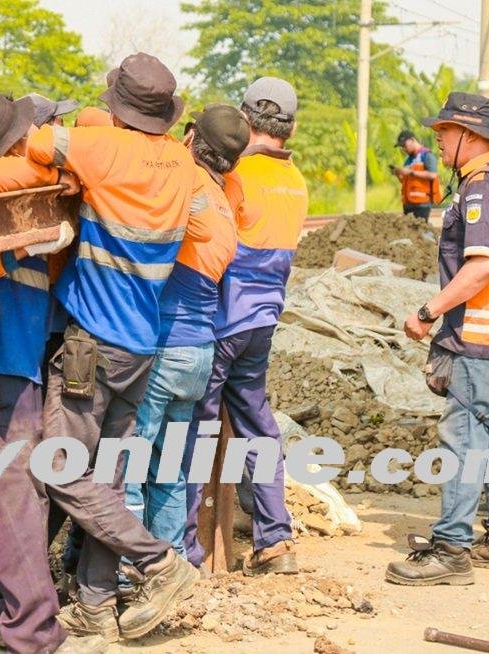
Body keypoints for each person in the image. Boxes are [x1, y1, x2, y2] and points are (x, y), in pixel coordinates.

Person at [23, 52, 200, 644]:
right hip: (143, 346)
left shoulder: (104, 149)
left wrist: (88, 135)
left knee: (63, 468)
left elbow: (36, 141)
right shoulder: (181, 158)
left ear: (118, 108)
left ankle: (159, 563)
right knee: (109, 474)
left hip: (92, 346)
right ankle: (96, 605)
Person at [0, 90, 99, 654]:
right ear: (16, 138)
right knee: (13, 494)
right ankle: (27, 628)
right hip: (2, 358)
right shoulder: (13, 180)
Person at [386, 92, 489, 586]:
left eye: (443, 135)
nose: (438, 141)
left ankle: (452, 547)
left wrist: (428, 312)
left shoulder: (483, 188)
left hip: (481, 336)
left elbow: (480, 267)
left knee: (463, 438)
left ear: (468, 136)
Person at [186, 76, 307, 576]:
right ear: (290, 127)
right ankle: (275, 540)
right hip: (262, 324)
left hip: (221, 321)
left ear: (244, 117)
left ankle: (185, 553)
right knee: (258, 424)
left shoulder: (234, 176)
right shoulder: (296, 182)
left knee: (194, 431)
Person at [125, 104, 245, 556]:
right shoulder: (225, 201)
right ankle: (171, 559)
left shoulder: (185, 179)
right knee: (171, 468)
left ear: (193, 141)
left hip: (166, 345)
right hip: (200, 355)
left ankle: (131, 569)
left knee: (135, 465)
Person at [394, 129, 442, 220]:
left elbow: (432, 175)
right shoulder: (408, 161)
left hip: (422, 204)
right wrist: (398, 174)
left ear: (412, 140)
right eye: (402, 147)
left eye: (404, 145)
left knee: (421, 231)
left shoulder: (427, 155)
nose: (404, 149)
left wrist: (411, 172)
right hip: (408, 204)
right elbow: (405, 181)